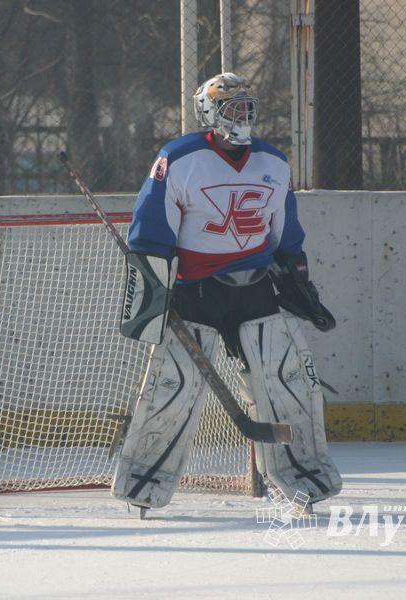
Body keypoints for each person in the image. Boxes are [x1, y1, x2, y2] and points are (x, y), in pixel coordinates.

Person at [111, 72, 342, 516]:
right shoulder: (178, 159)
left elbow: (286, 232)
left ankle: (304, 476)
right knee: (172, 388)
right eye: (233, 108)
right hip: (196, 293)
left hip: (256, 290)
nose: (244, 115)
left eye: (248, 107)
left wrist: (298, 280)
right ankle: (145, 478)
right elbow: (150, 231)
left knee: (287, 383)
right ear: (209, 111)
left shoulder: (274, 162)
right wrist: (153, 290)